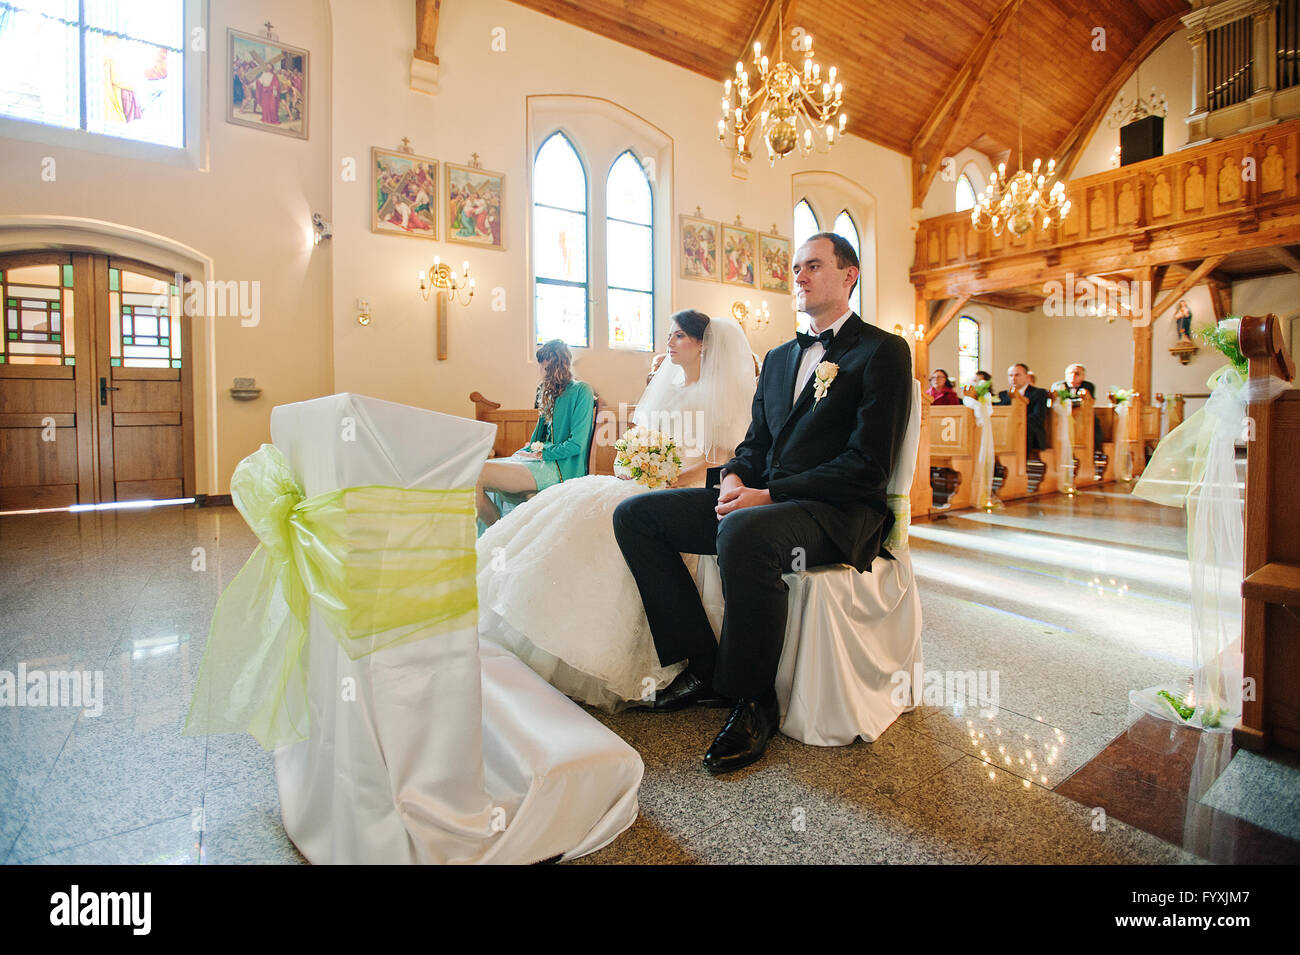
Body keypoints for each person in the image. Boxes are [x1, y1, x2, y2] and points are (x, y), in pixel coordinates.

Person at [613, 233, 912, 773]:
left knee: (744, 532)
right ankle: (705, 669)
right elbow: (754, 445)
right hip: (761, 502)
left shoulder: (882, 352)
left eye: (814, 266)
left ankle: (754, 701)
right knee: (637, 516)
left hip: (837, 512)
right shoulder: (776, 358)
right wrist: (732, 479)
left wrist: (767, 494)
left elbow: (866, 464)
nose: (799, 276)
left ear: (850, 276)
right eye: (796, 268)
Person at [477, 312, 755, 710]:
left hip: (687, 488)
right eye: (669, 335)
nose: (670, 343)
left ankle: (594, 650)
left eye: (679, 336)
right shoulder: (670, 389)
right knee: (574, 502)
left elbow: (721, 460)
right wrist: (632, 461)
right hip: (649, 481)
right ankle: (536, 623)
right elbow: (641, 442)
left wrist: (673, 475)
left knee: (603, 517)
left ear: (703, 343)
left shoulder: (720, 393)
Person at [475, 340, 594, 529]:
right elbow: (536, 438)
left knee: (478, 472)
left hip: (560, 467)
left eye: (548, 367)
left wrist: (541, 453)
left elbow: (576, 444)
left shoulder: (582, 391)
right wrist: (526, 451)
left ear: (561, 365)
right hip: (537, 461)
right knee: (474, 469)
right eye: (543, 366)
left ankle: (500, 532)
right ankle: (500, 531)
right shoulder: (545, 391)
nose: (543, 372)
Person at [995, 362, 1048, 453]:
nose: (1013, 378)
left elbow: (1038, 416)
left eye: (1017, 375)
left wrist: (1017, 422)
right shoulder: (1003, 394)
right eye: (1010, 376)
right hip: (1007, 431)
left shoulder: (1039, 393)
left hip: (1030, 433)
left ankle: (1020, 464)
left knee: (1024, 431)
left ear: (1027, 377)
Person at [1051, 363, 1103, 448]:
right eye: (1070, 373)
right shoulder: (1058, 386)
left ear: (1083, 376)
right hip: (1062, 414)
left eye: (1077, 374)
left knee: (1094, 421)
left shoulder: (1088, 386)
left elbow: (1088, 401)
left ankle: (1095, 447)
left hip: (1083, 414)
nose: (1073, 376)